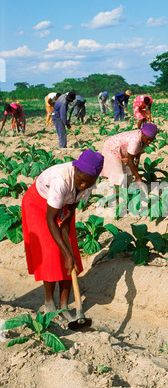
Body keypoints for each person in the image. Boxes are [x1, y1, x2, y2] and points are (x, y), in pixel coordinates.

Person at [21, 149, 104, 322]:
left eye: (88, 183)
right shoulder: (61, 180)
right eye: (81, 181)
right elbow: (50, 219)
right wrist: (66, 254)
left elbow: (77, 197)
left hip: (63, 204)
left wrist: (69, 215)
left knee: (71, 252)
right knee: (51, 253)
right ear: (75, 170)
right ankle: (49, 304)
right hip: (39, 204)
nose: (83, 186)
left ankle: (64, 306)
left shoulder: (88, 183)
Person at [101, 122, 157, 186]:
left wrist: (137, 161)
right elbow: (130, 160)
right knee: (118, 174)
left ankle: (126, 191)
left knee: (128, 172)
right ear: (142, 133)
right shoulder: (135, 141)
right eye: (148, 139)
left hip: (123, 150)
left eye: (151, 140)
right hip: (112, 148)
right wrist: (138, 178)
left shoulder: (144, 139)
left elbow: (139, 150)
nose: (149, 142)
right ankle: (117, 194)